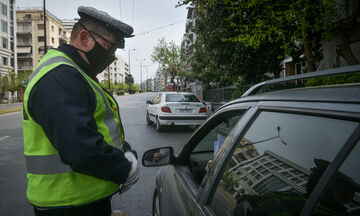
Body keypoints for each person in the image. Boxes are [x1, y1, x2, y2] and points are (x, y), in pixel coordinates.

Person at [22, 6, 139, 216]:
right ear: (84, 38)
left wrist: (126, 151)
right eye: (109, 47)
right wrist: (124, 168)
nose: (111, 56)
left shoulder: (77, 74)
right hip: (66, 205)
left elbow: (98, 126)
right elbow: (79, 146)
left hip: (82, 200)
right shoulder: (59, 76)